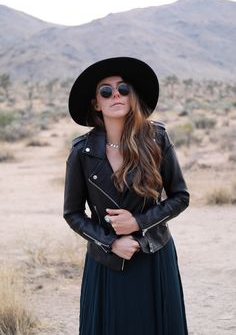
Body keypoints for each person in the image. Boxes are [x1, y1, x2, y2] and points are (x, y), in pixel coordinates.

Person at [63, 57, 190, 335]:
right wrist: (110, 242)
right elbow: (72, 214)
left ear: (132, 96)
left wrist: (139, 223)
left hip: (153, 253)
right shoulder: (81, 153)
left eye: (123, 88)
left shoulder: (157, 138)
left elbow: (180, 196)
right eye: (106, 91)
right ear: (96, 103)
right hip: (107, 261)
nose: (116, 95)